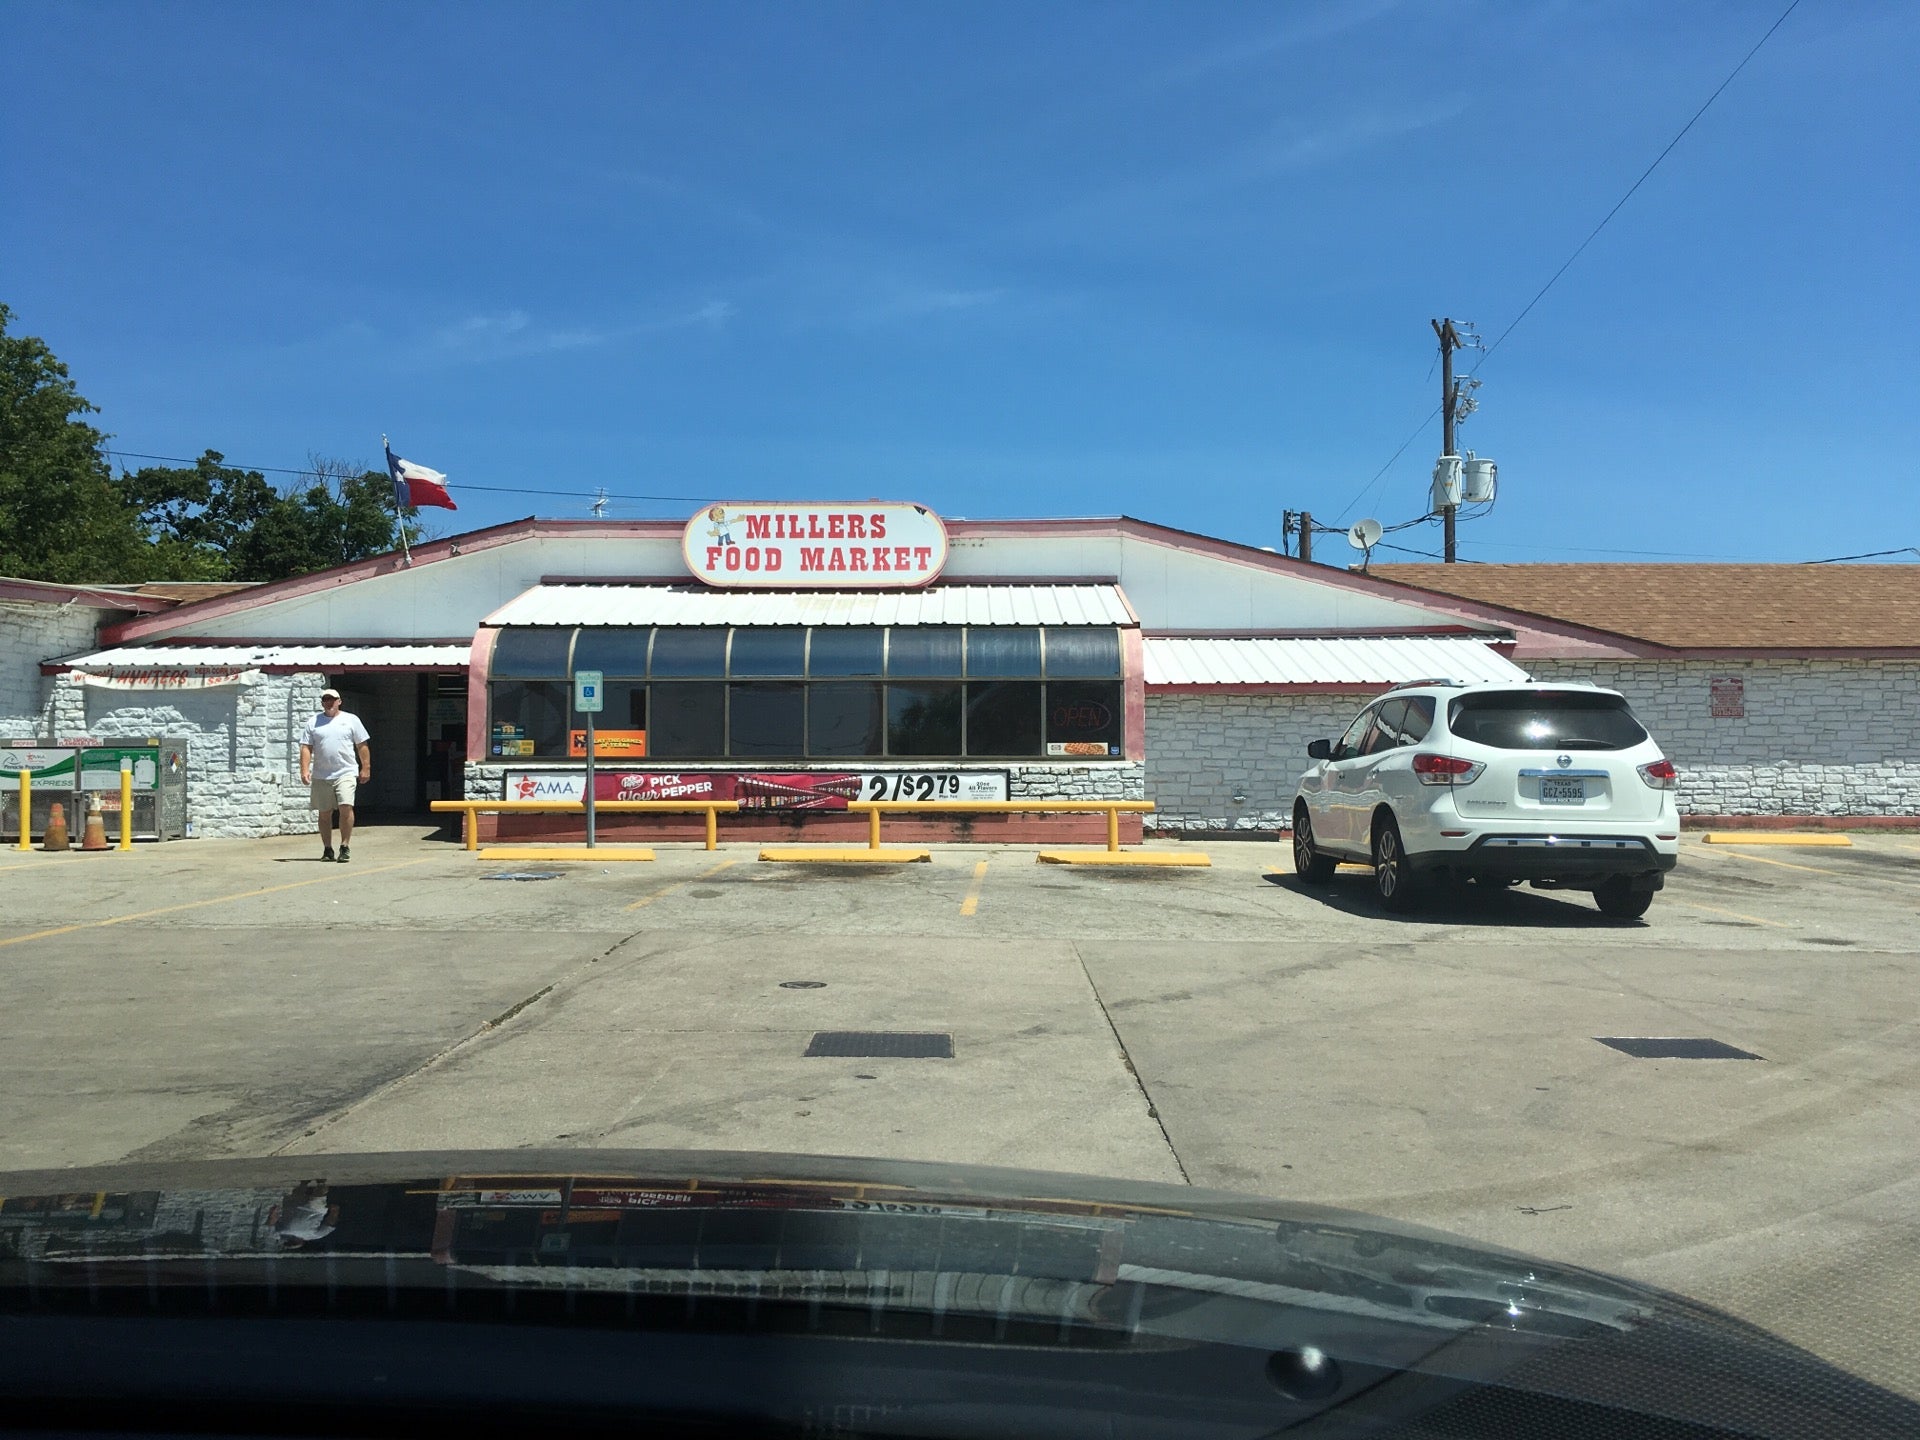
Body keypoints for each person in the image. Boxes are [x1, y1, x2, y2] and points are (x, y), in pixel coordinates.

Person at [299, 687, 370, 862]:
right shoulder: (313, 722)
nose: (329, 703)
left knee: (346, 806)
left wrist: (365, 767)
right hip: (322, 775)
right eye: (326, 700)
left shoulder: (351, 720)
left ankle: (345, 846)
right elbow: (306, 747)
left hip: (346, 771)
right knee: (324, 813)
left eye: (332, 700)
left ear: (339, 701)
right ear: (322, 703)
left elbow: (362, 745)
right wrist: (304, 770)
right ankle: (327, 848)